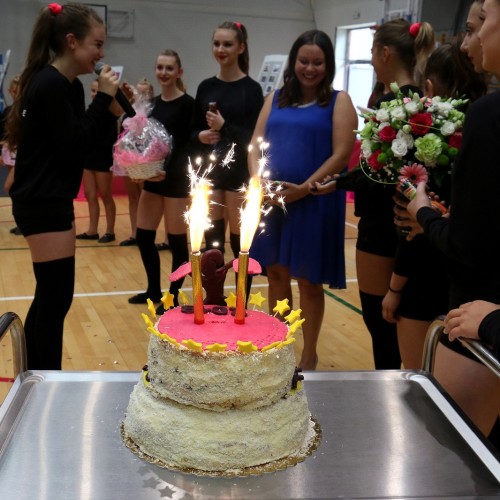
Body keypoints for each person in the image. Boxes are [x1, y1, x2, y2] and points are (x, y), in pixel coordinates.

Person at [5, 3, 128, 369]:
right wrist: (104, 99)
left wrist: (110, 113)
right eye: (97, 44)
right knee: (56, 297)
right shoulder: (50, 84)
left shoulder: (67, 86)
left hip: (51, 197)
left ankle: (35, 374)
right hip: (41, 200)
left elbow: (86, 145)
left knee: (52, 296)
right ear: (72, 41)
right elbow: (74, 144)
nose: (101, 53)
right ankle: (44, 380)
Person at [311, 19, 435, 370]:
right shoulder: (414, 103)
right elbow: (379, 170)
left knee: (381, 327)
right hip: (402, 226)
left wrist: (345, 181)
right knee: (392, 327)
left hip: (383, 230)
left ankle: (392, 401)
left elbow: (382, 177)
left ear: (385, 52)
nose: (371, 60)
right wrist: (341, 181)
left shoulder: (396, 107)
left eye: (371, 52)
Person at [404, 0, 500, 438]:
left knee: (458, 456)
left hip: (479, 321)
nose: (473, 40)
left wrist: (423, 213)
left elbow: (469, 247)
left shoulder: (488, 117)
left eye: (483, 23)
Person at [249, 30, 357, 370]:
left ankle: (309, 355)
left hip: (313, 201)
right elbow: (256, 141)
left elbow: (341, 155)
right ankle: (281, 349)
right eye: (304, 61)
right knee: (277, 275)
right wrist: (257, 180)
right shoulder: (276, 97)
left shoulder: (338, 101)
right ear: (294, 61)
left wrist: (305, 188)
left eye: (317, 62)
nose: (309, 68)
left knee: (309, 282)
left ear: (329, 65)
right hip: (273, 200)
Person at [381, 39, 487, 369]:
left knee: (418, 386)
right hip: (476, 287)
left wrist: (395, 287)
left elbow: (409, 226)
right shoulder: (481, 122)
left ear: (428, 86)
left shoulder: (432, 136)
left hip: (427, 273)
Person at [128, 50, 193, 309]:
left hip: (176, 181)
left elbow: (190, 144)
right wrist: (136, 164)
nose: (163, 72)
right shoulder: (151, 104)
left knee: (177, 243)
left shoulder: (188, 104)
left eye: (169, 68)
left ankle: (172, 296)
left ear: (179, 72)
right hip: (153, 179)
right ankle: (153, 290)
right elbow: (144, 140)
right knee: (144, 236)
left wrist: (172, 170)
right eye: (160, 67)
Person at [192, 21, 263, 257]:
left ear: (241, 48)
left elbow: (254, 138)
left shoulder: (251, 89)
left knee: (240, 245)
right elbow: (192, 131)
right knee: (213, 246)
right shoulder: (206, 86)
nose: (221, 49)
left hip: (239, 172)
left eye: (228, 44)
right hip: (211, 171)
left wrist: (224, 126)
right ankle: (215, 295)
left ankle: (241, 295)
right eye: (217, 44)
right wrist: (201, 135)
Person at [76, 78, 118, 243]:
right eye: (93, 91)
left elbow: (110, 139)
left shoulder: (110, 114)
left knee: (106, 195)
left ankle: (110, 231)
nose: (95, 94)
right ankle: (92, 230)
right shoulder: (90, 113)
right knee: (90, 195)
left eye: (98, 91)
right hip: (88, 159)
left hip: (102, 159)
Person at [0, 75, 21, 235]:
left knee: (14, 186)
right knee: (14, 190)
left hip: (21, 152)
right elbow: (2, 132)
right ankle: (19, 221)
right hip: (9, 151)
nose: (15, 93)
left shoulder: (26, 110)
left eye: (18, 90)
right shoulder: (8, 110)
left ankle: (24, 221)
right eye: (13, 91)